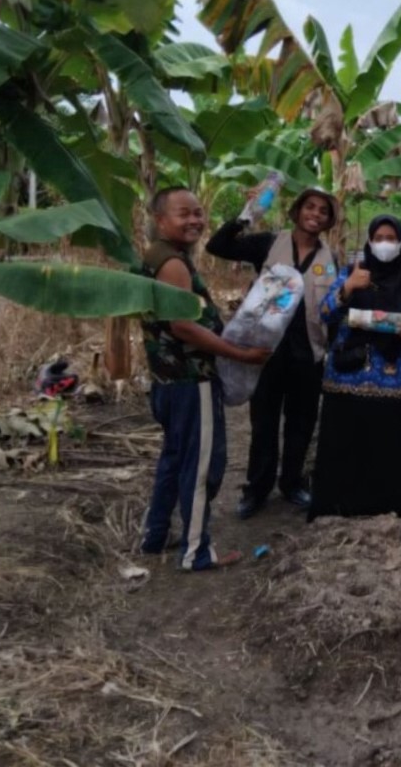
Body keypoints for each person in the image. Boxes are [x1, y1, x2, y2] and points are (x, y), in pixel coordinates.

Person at [138, 188, 270, 570]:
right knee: (201, 467)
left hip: (167, 381)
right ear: (160, 219)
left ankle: (156, 534)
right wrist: (242, 355)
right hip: (190, 380)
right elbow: (184, 326)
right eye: (184, 214)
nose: (194, 220)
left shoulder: (159, 256)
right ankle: (196, 552)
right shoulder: (172, 263)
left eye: (198, 213)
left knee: (174, 458)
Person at [206, 186, 340, 519]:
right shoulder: (268, 243)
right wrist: (249, 212)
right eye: (310, 207)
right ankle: (257, 488)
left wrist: (333, 352)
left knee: (302, 422)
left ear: (329, 220)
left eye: (323, 211)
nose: (315, 214)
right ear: (298, 210)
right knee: (264, 422)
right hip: (265, 351)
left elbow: (332, 307)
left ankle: (291, 483)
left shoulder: (330, 259)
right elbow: (217, 246)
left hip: (308, 352)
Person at [308, 215, 401, 520]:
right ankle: (337, 505)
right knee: (344, 443)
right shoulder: (352, 273)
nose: (385, 244)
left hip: (391, 375)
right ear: (369, 242)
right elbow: (325, 313)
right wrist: (347, 288)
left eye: (391, 238)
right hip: (348, 373)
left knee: (387, 445)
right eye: (379, 237)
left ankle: (386, 505)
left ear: (400, 243)